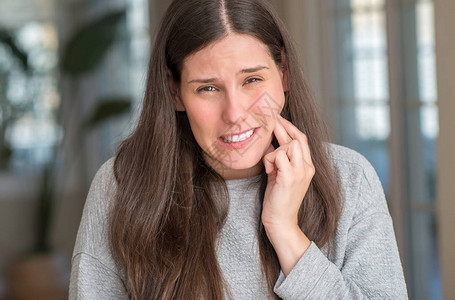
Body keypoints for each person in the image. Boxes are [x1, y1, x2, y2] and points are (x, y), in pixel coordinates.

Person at [69, 0, 408, 299]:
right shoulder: (121, 186)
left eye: (252, 80)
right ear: (175, 93)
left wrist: (284, 230)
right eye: (208, 88)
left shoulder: (349, 178)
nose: (235, 114)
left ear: (284, 74)